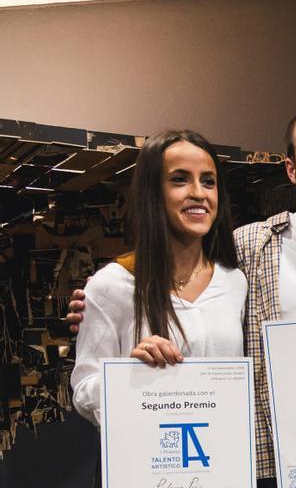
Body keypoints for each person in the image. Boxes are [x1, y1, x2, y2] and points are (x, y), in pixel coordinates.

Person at [68, 111, 296, 488]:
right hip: (244, 468)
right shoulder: (247, 249)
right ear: (291, 169)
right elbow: (87, 385)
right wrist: (123, 372)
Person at [71, 129, 246, 425]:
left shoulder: (234, 282)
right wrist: (129, 373)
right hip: (151, 462)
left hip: (221, 461)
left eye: (208, 181)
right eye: (179, 179)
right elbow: (84, 392)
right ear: (152, 192)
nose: (198, 193)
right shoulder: (112, 285)